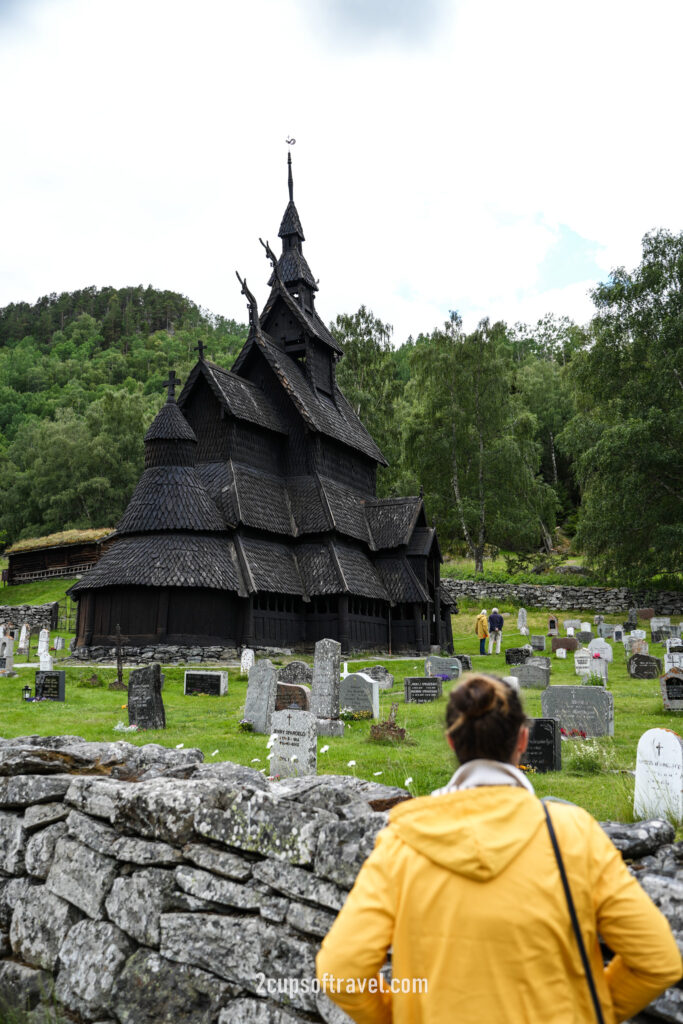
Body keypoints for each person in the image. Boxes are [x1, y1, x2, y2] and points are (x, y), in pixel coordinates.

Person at [316, 674, 682, 1024]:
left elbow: (340, 971)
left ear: (450, 742)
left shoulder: (403, 840)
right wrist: (590, 1012)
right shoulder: (573, 833)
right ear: (523, 740)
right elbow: (658, 959)